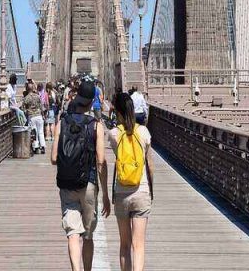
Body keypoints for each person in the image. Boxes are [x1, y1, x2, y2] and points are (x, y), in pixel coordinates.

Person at [52, 79, 110, 271]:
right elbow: (101, 161)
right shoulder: (96, 126)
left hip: (67, 184)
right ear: (91, 101)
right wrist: (106, 195)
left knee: (72, 233)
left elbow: (53, 158)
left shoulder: (62, 123)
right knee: (88, 235)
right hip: (89, 184)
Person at [107, 91, 154, 271]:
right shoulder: (143, 132)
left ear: (117, 112)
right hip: (141, 191)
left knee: (125, 245)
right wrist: (151, 190)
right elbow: (150, 165)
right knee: (139, 245)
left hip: (121, 192)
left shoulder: (113, 134)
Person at [23, 82, 45, 154]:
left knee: (34, 132)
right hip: (39, 116)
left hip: (32, 116)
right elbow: (41, 106)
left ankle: (36, 147)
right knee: (40, 132)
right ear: (33, 88)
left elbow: (24, 110)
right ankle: (43, 146)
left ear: (27, 89)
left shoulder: (26, 98)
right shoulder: (38, 96)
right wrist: (43, 114)